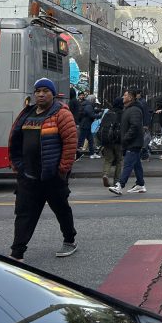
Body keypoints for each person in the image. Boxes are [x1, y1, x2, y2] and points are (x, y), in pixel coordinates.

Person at [8, 78, 78, 261]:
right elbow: (16, 140)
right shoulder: (27, 114)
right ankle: (17, 253)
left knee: (61, 209)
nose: (40, 94)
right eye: (38, 91)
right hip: (28, 176)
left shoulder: (61, 114)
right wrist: (18, 166)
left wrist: (62, 170)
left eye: (45, 91)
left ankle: (69, 240)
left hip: (52, 177)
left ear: (53, 94)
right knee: (24, 214)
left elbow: (70, 144)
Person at [109, 89, 147, 195]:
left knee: (128, 164)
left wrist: (125, 138)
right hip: (132, 142)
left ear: (130, 97)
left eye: (124, 95)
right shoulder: (128, 109)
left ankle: (120, 185)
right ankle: (140, 184)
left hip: (133, 142)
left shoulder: (134, 109)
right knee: (136, 164)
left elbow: (135, 126)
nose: (123, 97)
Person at [100, 97, 124, 186]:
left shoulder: (108, 113)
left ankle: (105, 175)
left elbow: (101, 126)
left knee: (108, 159)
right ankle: (116, 181)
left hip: (107, 140)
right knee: (119, 160)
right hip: (118, 140)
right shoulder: (122, 114)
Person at [78, 94, 99, 159]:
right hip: (86, 125)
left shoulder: (86, 105)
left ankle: (92, 153)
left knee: (90, 140)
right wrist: (100, 115)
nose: (95, 101)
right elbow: (91, 115)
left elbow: (89, 112)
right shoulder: (89, 106)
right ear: (92, 100)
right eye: (94, 99)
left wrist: (98, 110)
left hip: (85, 125)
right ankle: (74, 154)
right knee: (81, 141)